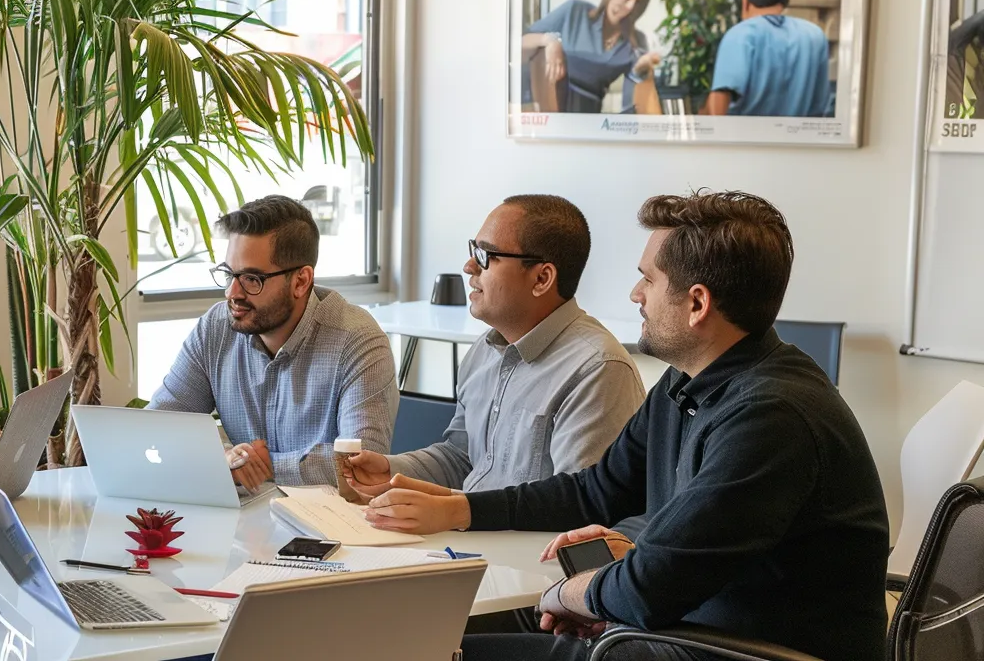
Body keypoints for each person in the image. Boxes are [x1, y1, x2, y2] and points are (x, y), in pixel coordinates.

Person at [361, 191, 889, 661]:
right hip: (690, 624)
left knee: (430, 650)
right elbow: (596, 491)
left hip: (734, 646)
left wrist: (573, 593)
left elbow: (648, 589)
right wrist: (461, 510)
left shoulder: (771, 416)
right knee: (428, 641)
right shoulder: (689, 382)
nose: (635, 294)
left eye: (648, 279)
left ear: (697, 304)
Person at [339, 195, 644, 499]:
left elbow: (577, 507)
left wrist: (460, 514)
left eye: (486, 255)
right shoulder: (484, 351)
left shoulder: (598, 370)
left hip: (522, 545)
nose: (469, 266)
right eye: (474, 250)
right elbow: (463, 459)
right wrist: (391, 470)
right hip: (467, 538)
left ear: (542, 278)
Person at [150, 194, 397, 488]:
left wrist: (260, 468)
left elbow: (361, 466)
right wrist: (223, 457)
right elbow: (158, 427)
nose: (232, 293)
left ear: (301, 281)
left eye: (252, 279)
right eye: (229, 274)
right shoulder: (215, 329)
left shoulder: (357, 341)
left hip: (329, 526)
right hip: (245, 520)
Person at [522, 0, 661, 113]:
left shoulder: (635, 43)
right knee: (542, 53)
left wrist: (640, 70)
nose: (630, 7)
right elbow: (521, 43)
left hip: (587, 116)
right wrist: (550, 41)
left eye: (637, 3)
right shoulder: (574, 11)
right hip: (546, 104)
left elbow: (634, 102)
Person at [704, 0, 833, 117]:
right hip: (797, 136)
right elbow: (819, 107)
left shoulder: (740, 35)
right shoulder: (814, 36)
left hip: (744, 135)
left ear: (745, 1)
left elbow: (720, 97)